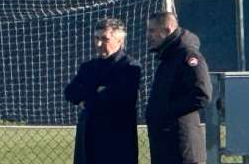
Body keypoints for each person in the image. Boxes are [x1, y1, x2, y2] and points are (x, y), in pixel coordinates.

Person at [64, 18, 140, 164]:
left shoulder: (129, 67)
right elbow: (70, 93)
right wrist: (96, 91)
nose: (98, 44)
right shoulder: (88, 67)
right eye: (96, 38)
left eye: (105, 39)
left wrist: (87, 96)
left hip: (116, 141)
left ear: (120, 41)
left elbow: (117, 100)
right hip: (87, 138)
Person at [145, 12, 212, 164]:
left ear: (167, 30)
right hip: (166, 146)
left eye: (152, 30)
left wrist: (166, 112)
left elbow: (202, 95)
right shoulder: (169, 57)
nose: (149, 36)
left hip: (183, 147)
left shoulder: (188, 55)